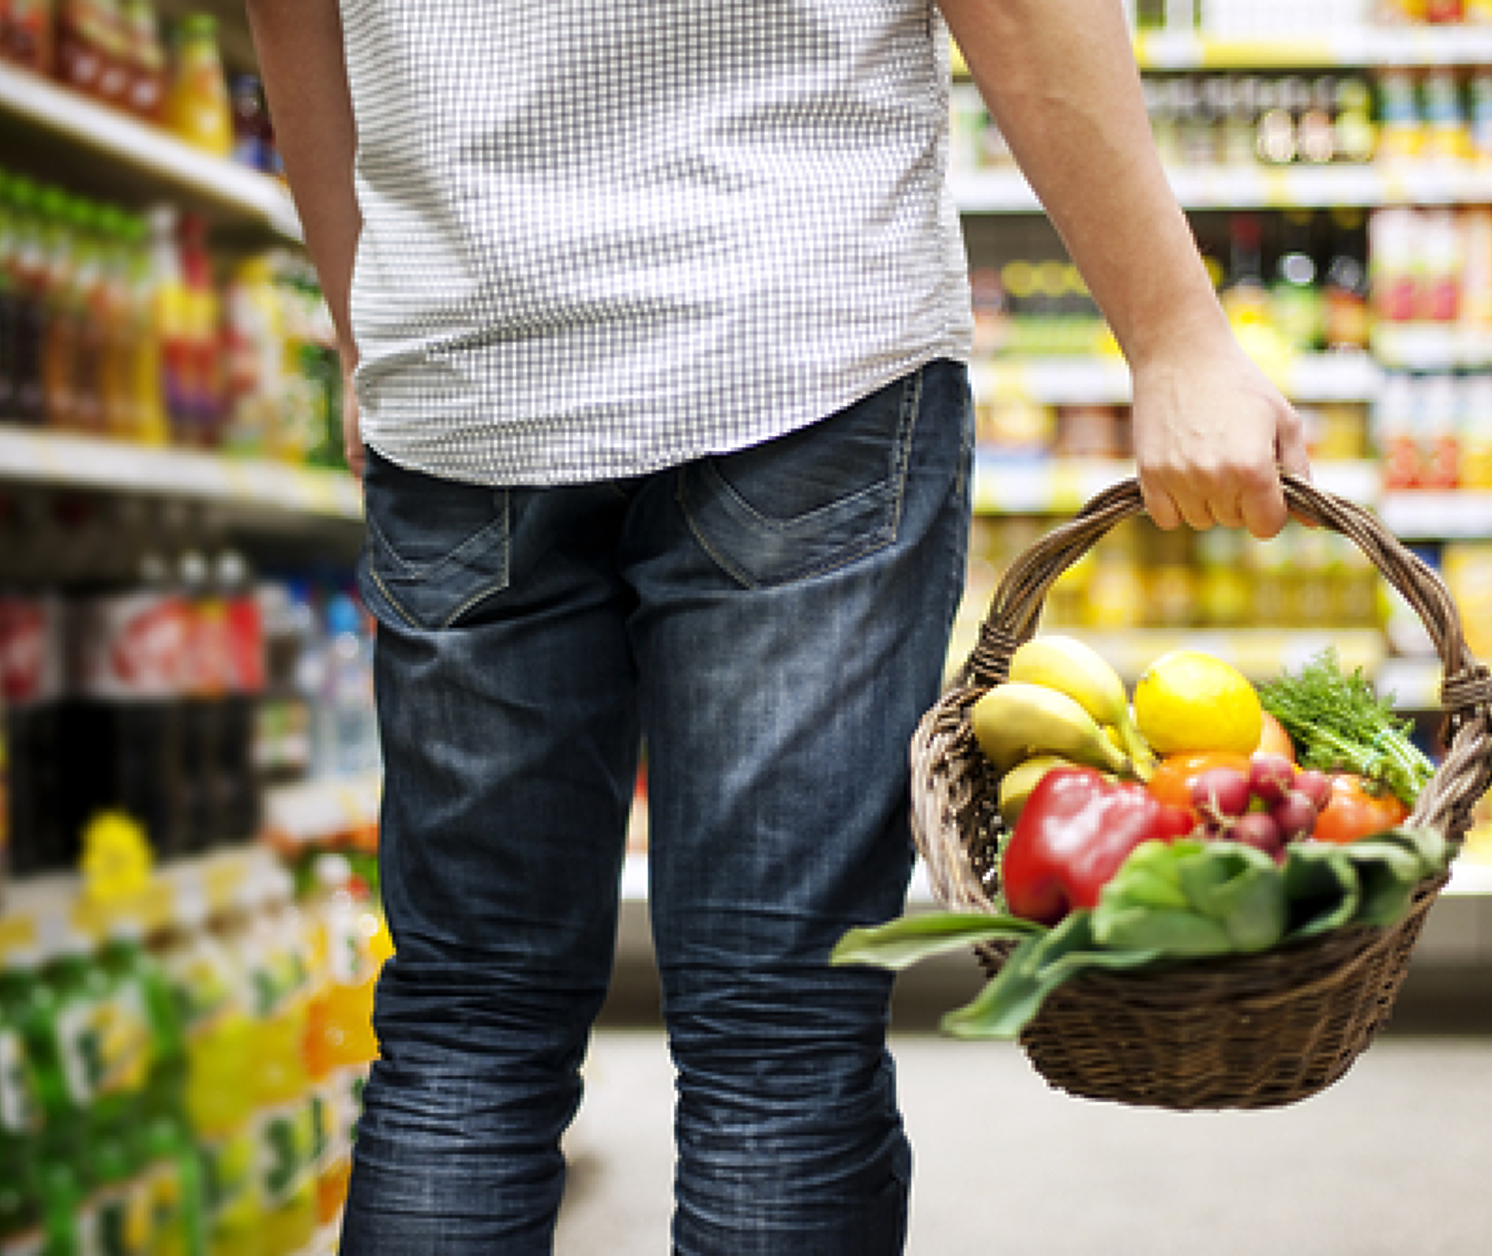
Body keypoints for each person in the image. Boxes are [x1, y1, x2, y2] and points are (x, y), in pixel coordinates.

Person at [244, 0, 1313, 1251]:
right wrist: (1175, 331)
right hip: (790, 340)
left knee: (466, 1024)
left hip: (466, 373)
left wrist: (368, 327)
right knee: (777, 1035)